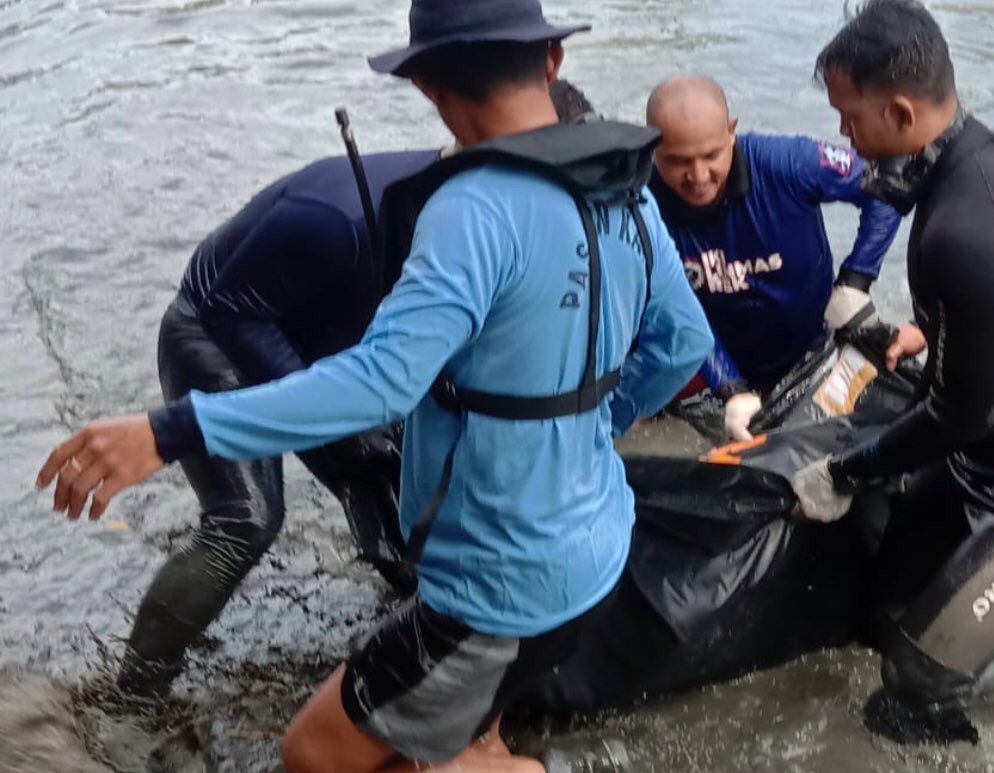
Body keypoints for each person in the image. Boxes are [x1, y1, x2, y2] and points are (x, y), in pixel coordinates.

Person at [37, 0, 713, 770]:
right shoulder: (626, 187)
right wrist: (584, 423)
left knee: (313, 751)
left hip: (499, 585)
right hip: (596, 549)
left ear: (426, 86)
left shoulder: (471, 207)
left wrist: (166, 431)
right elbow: (683, 342)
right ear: (553, 63)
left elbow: (382, 382)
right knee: (426, 732)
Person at [103, 79, 598, 700]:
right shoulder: (338, 216)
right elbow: (233, 312)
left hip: (328, 336)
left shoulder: (497, 219)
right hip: (218, 333)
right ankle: (128, 699)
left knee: (402, 488)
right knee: (247, 521)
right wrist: (336, 418)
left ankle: (413, 653)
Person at [808, 0, 994, 706]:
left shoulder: (967, 226)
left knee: (916, 675)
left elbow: (956, 413)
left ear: (905, 114)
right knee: (880, 618)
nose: (845, 135)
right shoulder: (971, 153)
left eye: (852, 118)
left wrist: (848, 469)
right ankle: (992, 608)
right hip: (984, 448)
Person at [644, 75, 903, 442]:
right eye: (678, 162)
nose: (699, 176)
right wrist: (730, 388)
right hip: (710, 357)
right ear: (652, 149)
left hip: (809, 348)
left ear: (732, 131)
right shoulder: (640, 208)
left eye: (711, 155)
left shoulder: (788, 164)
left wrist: (856, 279)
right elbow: (670, 309)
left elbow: (887, 188)